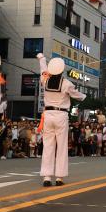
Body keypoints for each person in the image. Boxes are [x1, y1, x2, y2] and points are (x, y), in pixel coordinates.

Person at [36, 53, 85, 186]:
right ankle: (59, 177)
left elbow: (43, 70)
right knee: (62, 146)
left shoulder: (45, 79)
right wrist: (84, 96)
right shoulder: (67, 83)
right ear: (62, 70)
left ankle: (46, 177)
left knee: (48, 146)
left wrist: (41, 59)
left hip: (48, 115)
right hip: (61, 115)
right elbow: (77, 96)